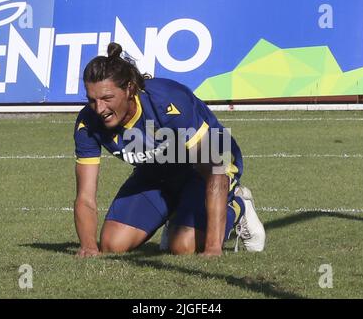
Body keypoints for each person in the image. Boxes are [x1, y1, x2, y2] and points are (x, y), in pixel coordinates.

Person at [73, 42, 265, 257]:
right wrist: (88, 246)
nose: (99, 109)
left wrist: (213, 248)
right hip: (157, 172)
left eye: (107, 98)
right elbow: (85, 196)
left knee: (182, 247)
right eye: (92, 100)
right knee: (112, 244)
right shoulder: (87, 122)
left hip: (207, 167)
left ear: (129, 89)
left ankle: (238, 205)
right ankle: (177, 213)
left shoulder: (167, 102)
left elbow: (214, 170)